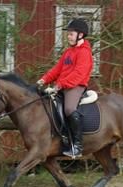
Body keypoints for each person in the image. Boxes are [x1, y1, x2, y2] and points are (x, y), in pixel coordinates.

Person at [36, 18, 93, 158]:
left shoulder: (84, 52)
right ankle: (63, 138)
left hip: (76, 86)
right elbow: (57, 70)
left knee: (69, 109)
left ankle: (77, 146)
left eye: (71, 34)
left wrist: (59, 86)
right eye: (68, 34)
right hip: (63, 86)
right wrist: (43, 80)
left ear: (80, 35)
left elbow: (78, 74)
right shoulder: (68, 52)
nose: (68, 36)